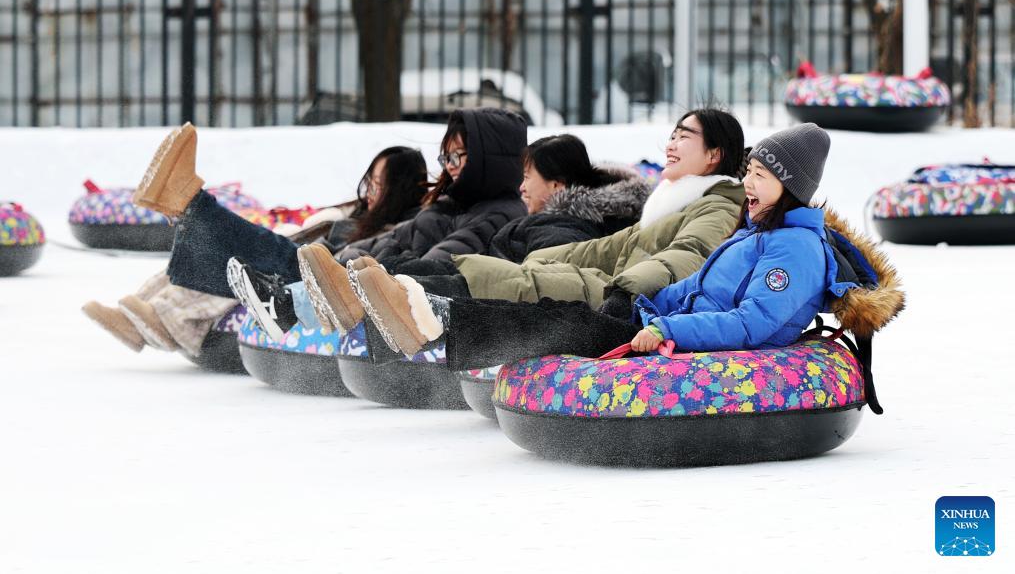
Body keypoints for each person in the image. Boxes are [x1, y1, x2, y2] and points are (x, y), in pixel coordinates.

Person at [344, 123, 903, 386]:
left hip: (685, 341)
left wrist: (666, 329)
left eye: (760, 175)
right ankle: (415, 310)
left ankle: (432, 322)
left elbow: (751, 322)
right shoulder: (754, 232)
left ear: (791, 186)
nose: (749, 184)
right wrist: (653, 305)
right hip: (652, 317)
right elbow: (693, 285)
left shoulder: (795, 249)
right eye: (749, 172)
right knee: (559, 313)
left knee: (560, 325)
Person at [287, 108, 748, 358]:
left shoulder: (717, 205)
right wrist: (550, 259)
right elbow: (608, 247)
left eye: (684, 136)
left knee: (514, 280)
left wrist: (625, 288)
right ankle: (369, 295)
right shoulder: (671, 204)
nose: (670, 143)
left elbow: (689, 256)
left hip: (628, 298)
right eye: (672, 133)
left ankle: (398, 302)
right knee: (504, 271)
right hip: (613, 285)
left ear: (714, 155)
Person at [234, 133, 652, 339]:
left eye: (528, 178)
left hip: (481, 298)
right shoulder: (538, 219)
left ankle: (291, 304)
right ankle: (296, 300)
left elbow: (536, 279)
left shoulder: (562, 228)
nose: (521, 187)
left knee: (411, 274)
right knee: (396, 267)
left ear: (557, 186)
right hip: (477, 281)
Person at [82, 144, 428, 355]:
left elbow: (358, 265)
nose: (369, 192)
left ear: (399, 191)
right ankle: (136, 318)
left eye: (379, 186)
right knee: (217, 251)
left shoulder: (398, 228)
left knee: (242, 249)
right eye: (369, 182)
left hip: (319, 278)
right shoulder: (355, 215)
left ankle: (188, 200)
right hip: (305, 260)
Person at [228, 107, 528, 340]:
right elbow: (393, 239)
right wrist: (345, 259)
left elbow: (440, 264)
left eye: (457, 157)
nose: (449, 167)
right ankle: (281, 295)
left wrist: (375, 268)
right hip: (388, 285)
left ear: (487, 159)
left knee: (370, 275)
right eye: (445, 158)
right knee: (346, 261)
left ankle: (285, 305)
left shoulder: (500, 214)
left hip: (414, 304)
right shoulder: (448, 205)